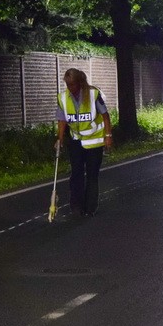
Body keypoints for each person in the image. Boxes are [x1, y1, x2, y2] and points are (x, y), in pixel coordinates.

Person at [55, 68, 113, 217]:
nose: (70, 88)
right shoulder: (63, 98)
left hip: (94, 141)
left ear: (80, 83)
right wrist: (60, 138)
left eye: (73, 85)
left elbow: (105, 116)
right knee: (76, 174)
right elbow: (62, 120)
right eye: (67, 85)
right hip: (76, 140)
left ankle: (90, 207)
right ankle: (76, 206)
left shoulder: (93, 94)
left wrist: (108, 136)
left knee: (92, 175)